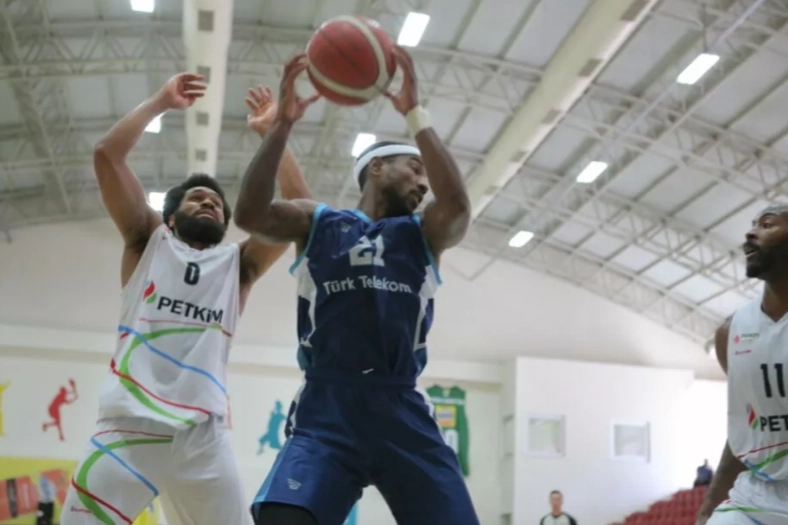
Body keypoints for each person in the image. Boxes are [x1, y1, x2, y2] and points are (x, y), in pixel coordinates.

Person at [234, 48, 479, 525]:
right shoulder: (319, 223)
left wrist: (415, 114)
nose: (424, 183)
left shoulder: (423, 234)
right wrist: (281, 127)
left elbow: (458, 208)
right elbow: (250, 214)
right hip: (328, 407)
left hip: (401, 406)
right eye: (414, 168)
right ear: (377, 168)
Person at [60, 77, 312, 525]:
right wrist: (160, 101)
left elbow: (301, 207)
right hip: (128, 426)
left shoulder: (237, 266)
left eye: (217, 203)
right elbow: (106, 155)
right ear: (171, 218)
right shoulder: (147, 240)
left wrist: (274, 133)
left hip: (203, 437)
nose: (209, 203)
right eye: (197, 198)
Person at [696, 204, 788, 525]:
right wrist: (707, 508)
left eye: (767, 224)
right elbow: (746, 428)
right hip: (755, 496)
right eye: (752, 225)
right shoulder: (731, 331)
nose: (750, 233)